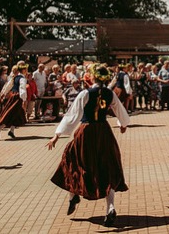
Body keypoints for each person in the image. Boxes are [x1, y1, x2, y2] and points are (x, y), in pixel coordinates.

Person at [47, 64, 130, 228]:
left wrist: (57, 135)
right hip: (103, 132)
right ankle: (110, 207)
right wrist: (123, 124)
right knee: (107, 166)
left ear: (92, 77)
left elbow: (73, 115)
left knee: (74, 161)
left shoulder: (85, 93)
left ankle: (73, 197)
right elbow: (120, 111)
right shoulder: (110, 93)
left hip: (87, 132)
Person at [0, 62, 28, 139]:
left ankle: (11, 131)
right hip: (17, 97)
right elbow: (22, 88)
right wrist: (24, 99)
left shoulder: (15, 77)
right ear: (23, 70)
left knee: (17, 114)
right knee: (11, 113)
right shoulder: (22, 78)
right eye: (25, 70)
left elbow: (8, 86)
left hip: (12, 95)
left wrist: (3, 94)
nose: (26, 71)